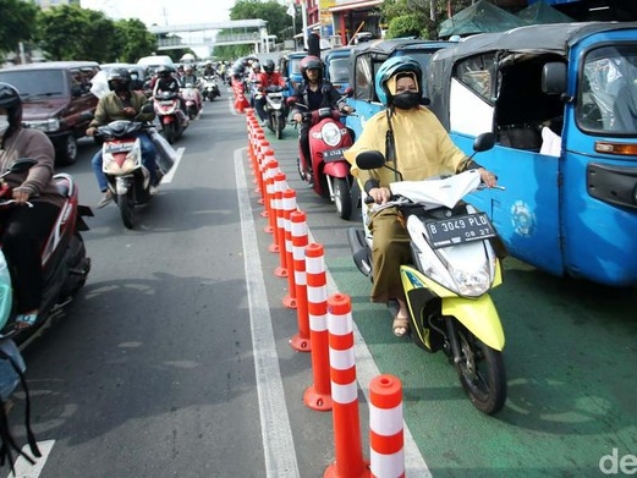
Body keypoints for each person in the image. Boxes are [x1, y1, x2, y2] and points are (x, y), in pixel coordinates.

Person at [344, 56, 498, 337]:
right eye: (400, 86)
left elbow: (449, 153)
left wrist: (475, 169)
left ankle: (470, 280)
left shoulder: (428, 118)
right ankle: (401, 303)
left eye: (411, 85)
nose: (407, 90)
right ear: (388, 90)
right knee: (389, 242)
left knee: (479, 226)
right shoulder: (379, 123)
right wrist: (373, 188)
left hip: (434, 195)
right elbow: (360, 161)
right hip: (394, 201)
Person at [0, 83, 64, 329]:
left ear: (13, 113)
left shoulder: (32, 137)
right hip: (3, 202)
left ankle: (30, 305)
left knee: (16, 237)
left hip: (36, 200)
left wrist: (28, 187)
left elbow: (42, 165)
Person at [86, 68, 159, 208]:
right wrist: (93, 127)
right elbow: (98, 118)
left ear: (126, 82)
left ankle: (150, 181)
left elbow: (150, 115)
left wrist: (135, 113)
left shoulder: (138, 97)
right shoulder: (105, 100)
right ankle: (107, 190)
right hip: (114, 136)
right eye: (113, 82)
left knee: (149, 150)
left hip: (136, 132)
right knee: (96, 161)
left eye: (119, 82)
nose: (116, 85)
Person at [290, 55, 352, 178]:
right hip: (310, 121)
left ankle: (351, 161)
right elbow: (295, 103)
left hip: (329, 119)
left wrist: (344, 107)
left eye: (315, 70)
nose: (313, 73)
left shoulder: (327, 85)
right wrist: (297, 113)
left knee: (349, 133)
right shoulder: (301, 88)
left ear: (319, 71)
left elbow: (337, 100)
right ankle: (308, 166)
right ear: (305, 72)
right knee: (303, 138)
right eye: (310, 70)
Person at [254, 59, 286, 125]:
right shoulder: (261, 75)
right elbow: (259, 83)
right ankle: (265, 118)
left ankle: (285, 116)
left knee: (288, 100)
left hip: (277, 94)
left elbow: (281, 81)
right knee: (257, 102)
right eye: (268, 68)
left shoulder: (277, 74)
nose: (269, 70)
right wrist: (260, 87)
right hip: (265, 94)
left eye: (271, 68)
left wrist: (284, 86)